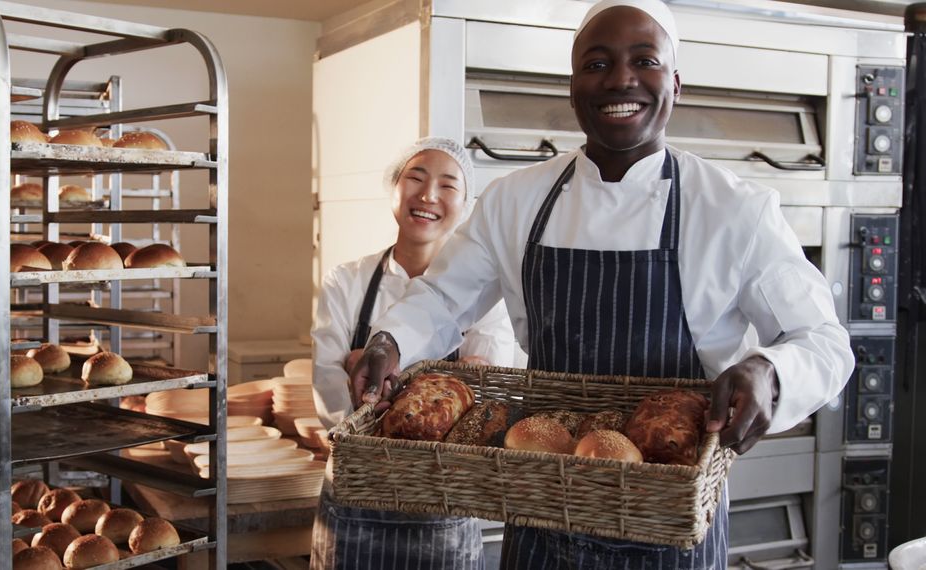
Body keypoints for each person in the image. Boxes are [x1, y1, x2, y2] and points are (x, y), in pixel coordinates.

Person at [347, 1, 855, 568]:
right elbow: (443, 298)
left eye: (645, 60)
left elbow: (823, 341)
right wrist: (390, 341)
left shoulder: (734, 209)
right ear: (572, 88)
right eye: (597, 63)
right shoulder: (516, 201)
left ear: (676, 83)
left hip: (672, 523)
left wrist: (769, 370)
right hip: (544, 506)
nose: (620, 79)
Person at [309, 137, 515, 569]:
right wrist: (441, 388)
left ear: (465, 204)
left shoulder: (482, 293)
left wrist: (367, 369)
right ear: (394, 189)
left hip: (444, 489)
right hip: (357, 483)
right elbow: (330, 387)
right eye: (415, 178)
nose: (428, 195)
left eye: (447, 185)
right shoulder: (347, 280)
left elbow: (489, 386)